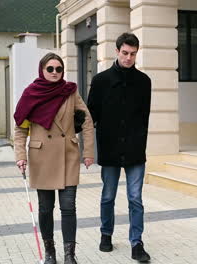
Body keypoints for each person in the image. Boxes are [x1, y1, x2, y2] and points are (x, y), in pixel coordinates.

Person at [13, 52, 95, 264]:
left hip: (67, 155)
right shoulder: (31, 94)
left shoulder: (70, 92)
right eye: (50, 69)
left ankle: (70, 255)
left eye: (58, 69)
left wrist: (88, 152)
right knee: (45, 208)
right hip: (42, 158)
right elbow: (21, 129)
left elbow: (86, 121)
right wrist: (20, 155)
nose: (55, 73)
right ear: (42, 70)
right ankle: (50, 253)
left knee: (68, 207)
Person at [87, 32, 151, 262]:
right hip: (110, 149)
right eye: (125, 53)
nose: (128, 58)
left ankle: (137, 243)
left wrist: (139, 140)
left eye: (133, 54)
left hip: (135, 150)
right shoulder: (101, 80)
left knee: (135, 198)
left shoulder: (144, 81)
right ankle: (106, 235)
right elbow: (89, 116)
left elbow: (144, 116)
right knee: (108, 196)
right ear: (117, 51)